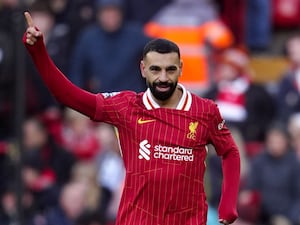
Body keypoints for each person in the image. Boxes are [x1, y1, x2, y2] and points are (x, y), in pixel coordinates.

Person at [23, 11, 241, 225]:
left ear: (180, 69)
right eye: (155, 69)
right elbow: (67, 95)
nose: (163, 77)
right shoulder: (126, 106)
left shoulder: (205, 110)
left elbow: (230, 151)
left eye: (170, 70)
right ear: (143, 69)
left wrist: (228, 203)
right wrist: (38, 52)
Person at [68, 0, 151, 93]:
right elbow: (77, 72)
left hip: (133, 99)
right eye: (106, 11)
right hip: (100, 99)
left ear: (121, 13)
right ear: (98, 14)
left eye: (115, 11)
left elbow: (158, 54)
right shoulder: (88, 37)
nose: (111, 15)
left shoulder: (136, 33)